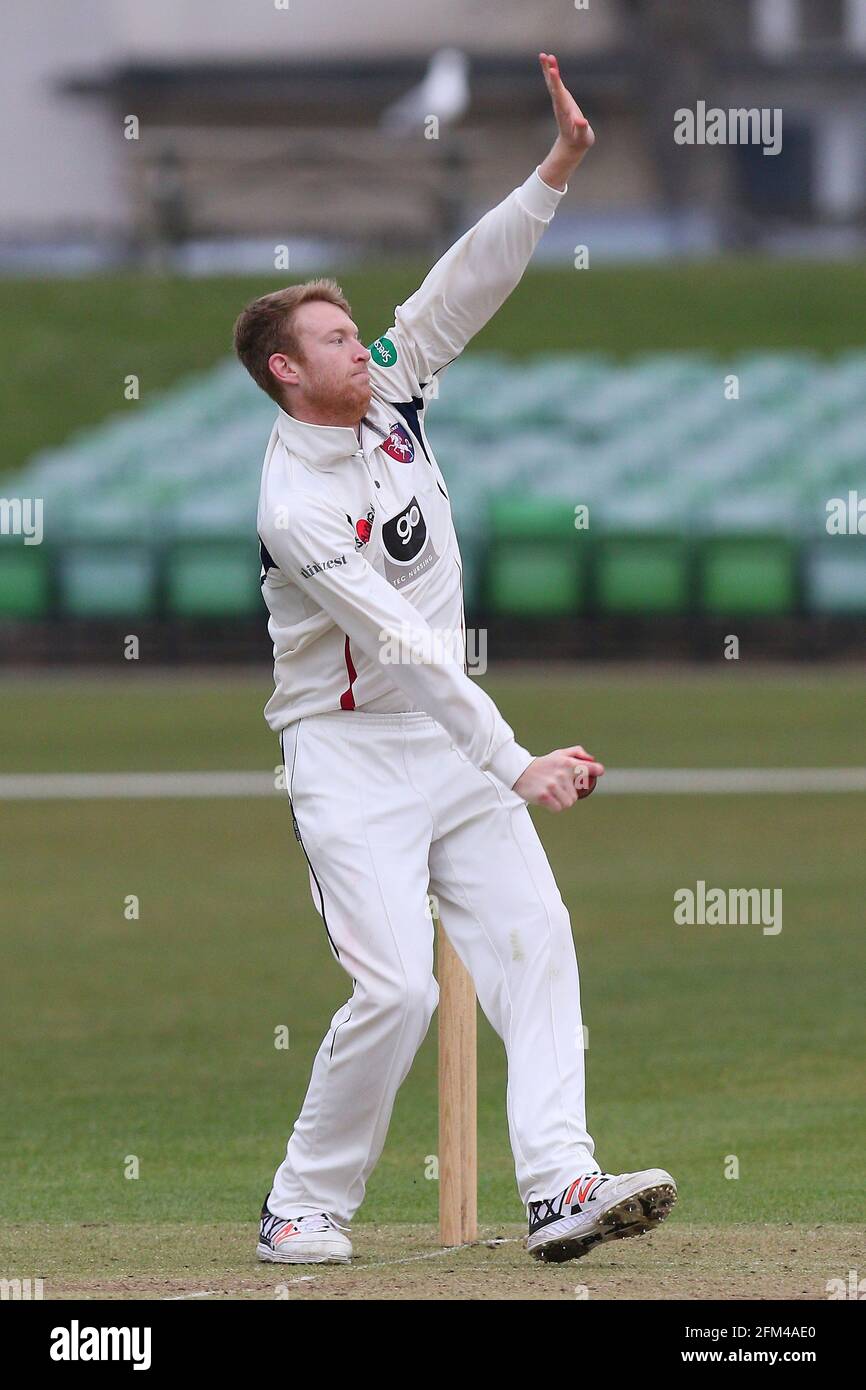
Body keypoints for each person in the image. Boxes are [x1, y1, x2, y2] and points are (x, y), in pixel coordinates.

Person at [233, 53, 677, 1265]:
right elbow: (409, 647)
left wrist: (555, 170)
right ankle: (299, 1208)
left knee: (534, 937)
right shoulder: (296, 505)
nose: (360, 345)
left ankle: (558, 1185)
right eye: (332, 338)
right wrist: (517, 758)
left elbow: (458, 287)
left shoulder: (387, 393)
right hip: (350, 753)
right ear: (286, 371)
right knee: (398, 994)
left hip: (449, 738)